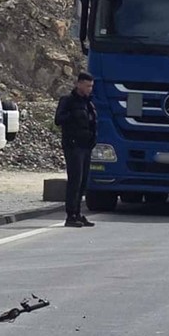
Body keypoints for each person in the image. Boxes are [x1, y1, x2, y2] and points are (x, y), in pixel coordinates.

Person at [55, 72, 97, 228]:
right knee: (75, 181)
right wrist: (72, 115)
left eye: (91, 86)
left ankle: (78, 213)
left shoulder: (88, 103)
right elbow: (58, 119)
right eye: (87, 86)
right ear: (78, 84)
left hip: (86, 147)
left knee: (83, 182)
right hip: (73, 146)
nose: (89, 89)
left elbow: (92, 123)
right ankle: (70, 215)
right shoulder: (68, 101)